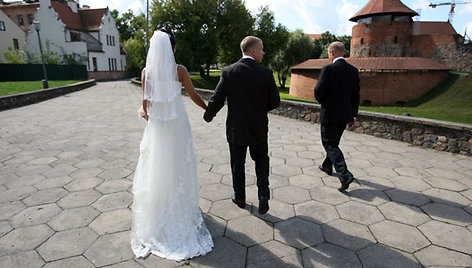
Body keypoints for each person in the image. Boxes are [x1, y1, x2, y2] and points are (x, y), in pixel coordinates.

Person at [130, 29, 213, 261]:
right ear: (172, 48)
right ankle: (181, 209)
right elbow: (194, 94)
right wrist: (208, 109)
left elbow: (145, 104)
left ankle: (159, 210)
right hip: (178, 123)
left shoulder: (146, 72)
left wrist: (148, 116)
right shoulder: (180, 70)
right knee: (178, 165)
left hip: (158, 126)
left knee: (157, 165)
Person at [203, 36, 280, 214]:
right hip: (259, 127)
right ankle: (263, 193)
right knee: (261, 159)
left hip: (236, 128)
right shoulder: (266, 73)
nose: (264, 52)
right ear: (252, 50)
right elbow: (275, 101)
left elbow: (218, 99)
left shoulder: (229, 71)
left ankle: (240, 198)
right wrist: (260, 110)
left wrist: (208, 115)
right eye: (262, 49)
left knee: (238, 163)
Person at [314, 41, 360, 192]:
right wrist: (353, 115)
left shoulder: (328, 69)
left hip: (330, 114)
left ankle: (344, 174)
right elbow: (355, 96)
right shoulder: (353, 71)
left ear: (332, 52)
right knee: (334, 142)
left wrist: (323, 102)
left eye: (328, 53)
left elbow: (319, 92)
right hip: (345, 114)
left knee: (329, 143)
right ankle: (327, 166)